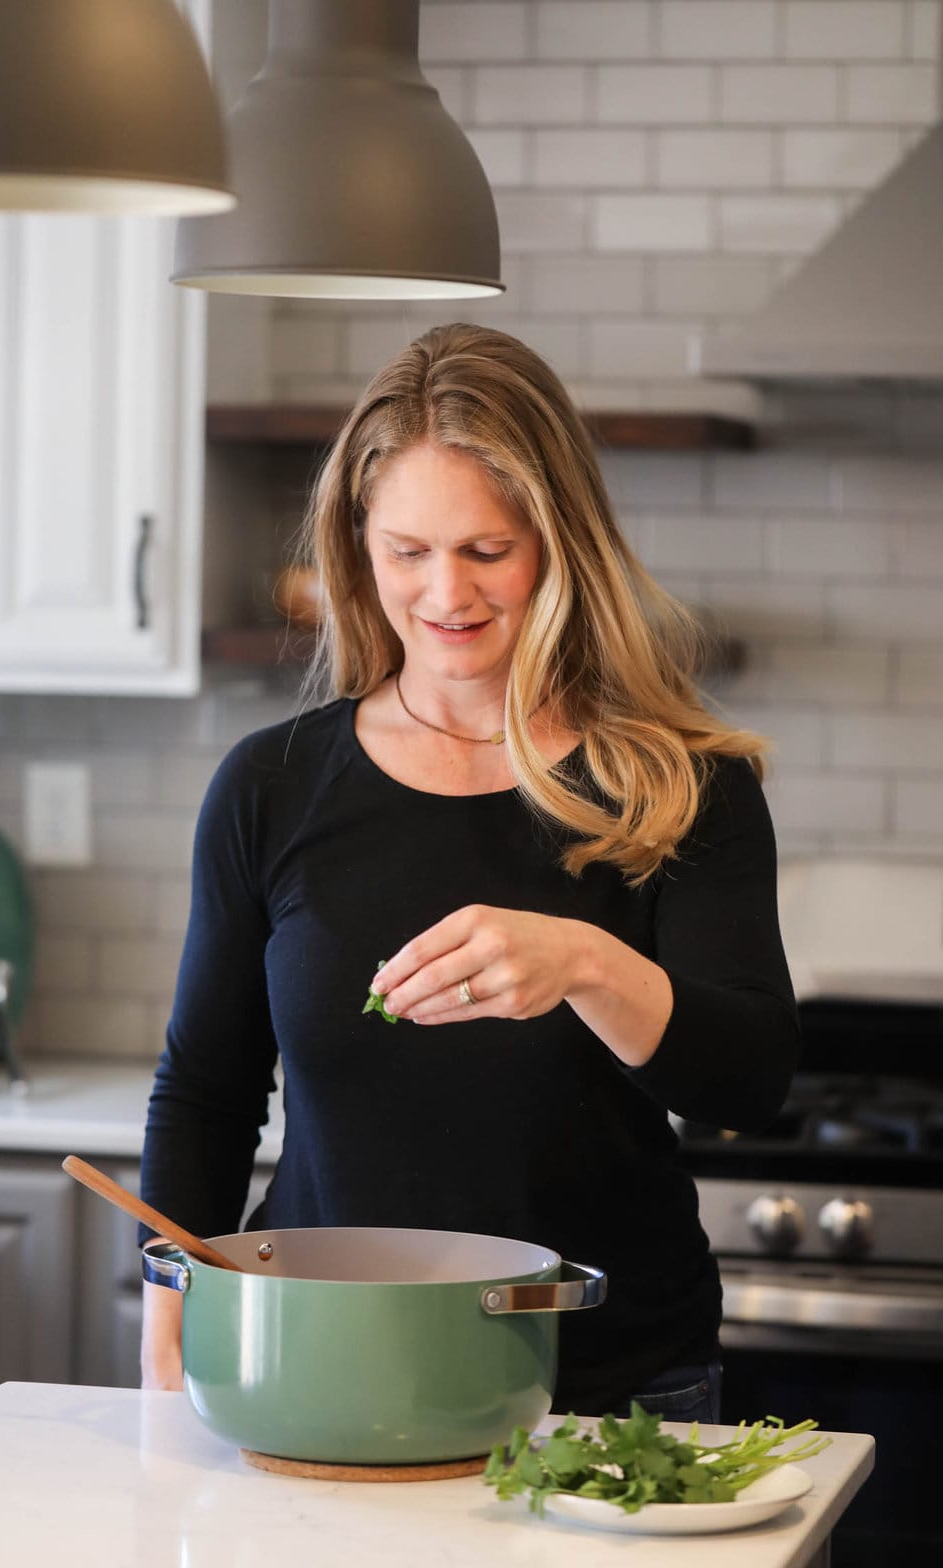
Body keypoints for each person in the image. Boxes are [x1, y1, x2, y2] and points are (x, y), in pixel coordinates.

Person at [139, 322, 799, 1423]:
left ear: (558, 543)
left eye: (487, 550)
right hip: (325, 1362)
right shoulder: (273, 785)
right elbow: (206, 1095)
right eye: (407, 551)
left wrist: (585, 962)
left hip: (609, 1381)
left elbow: (748, 1085)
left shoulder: (683, 784)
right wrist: (170, 1324)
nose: (445, 591)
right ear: (358, 548)